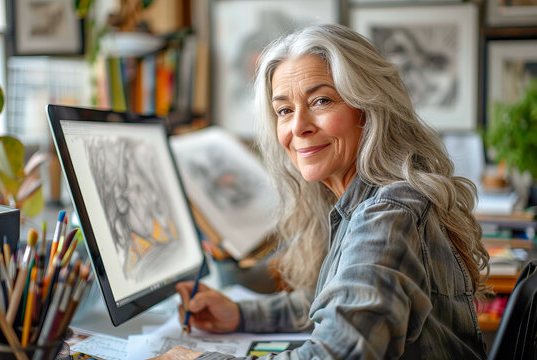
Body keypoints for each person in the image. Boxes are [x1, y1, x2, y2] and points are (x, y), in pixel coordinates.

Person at [153, 23, 490, 360]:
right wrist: (240, 314)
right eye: (284, 110)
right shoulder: (364, 199)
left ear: (369, 109)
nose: (298, 126)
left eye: (321, 101)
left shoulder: (388, 212)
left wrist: (195, 359)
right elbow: (337, 298)